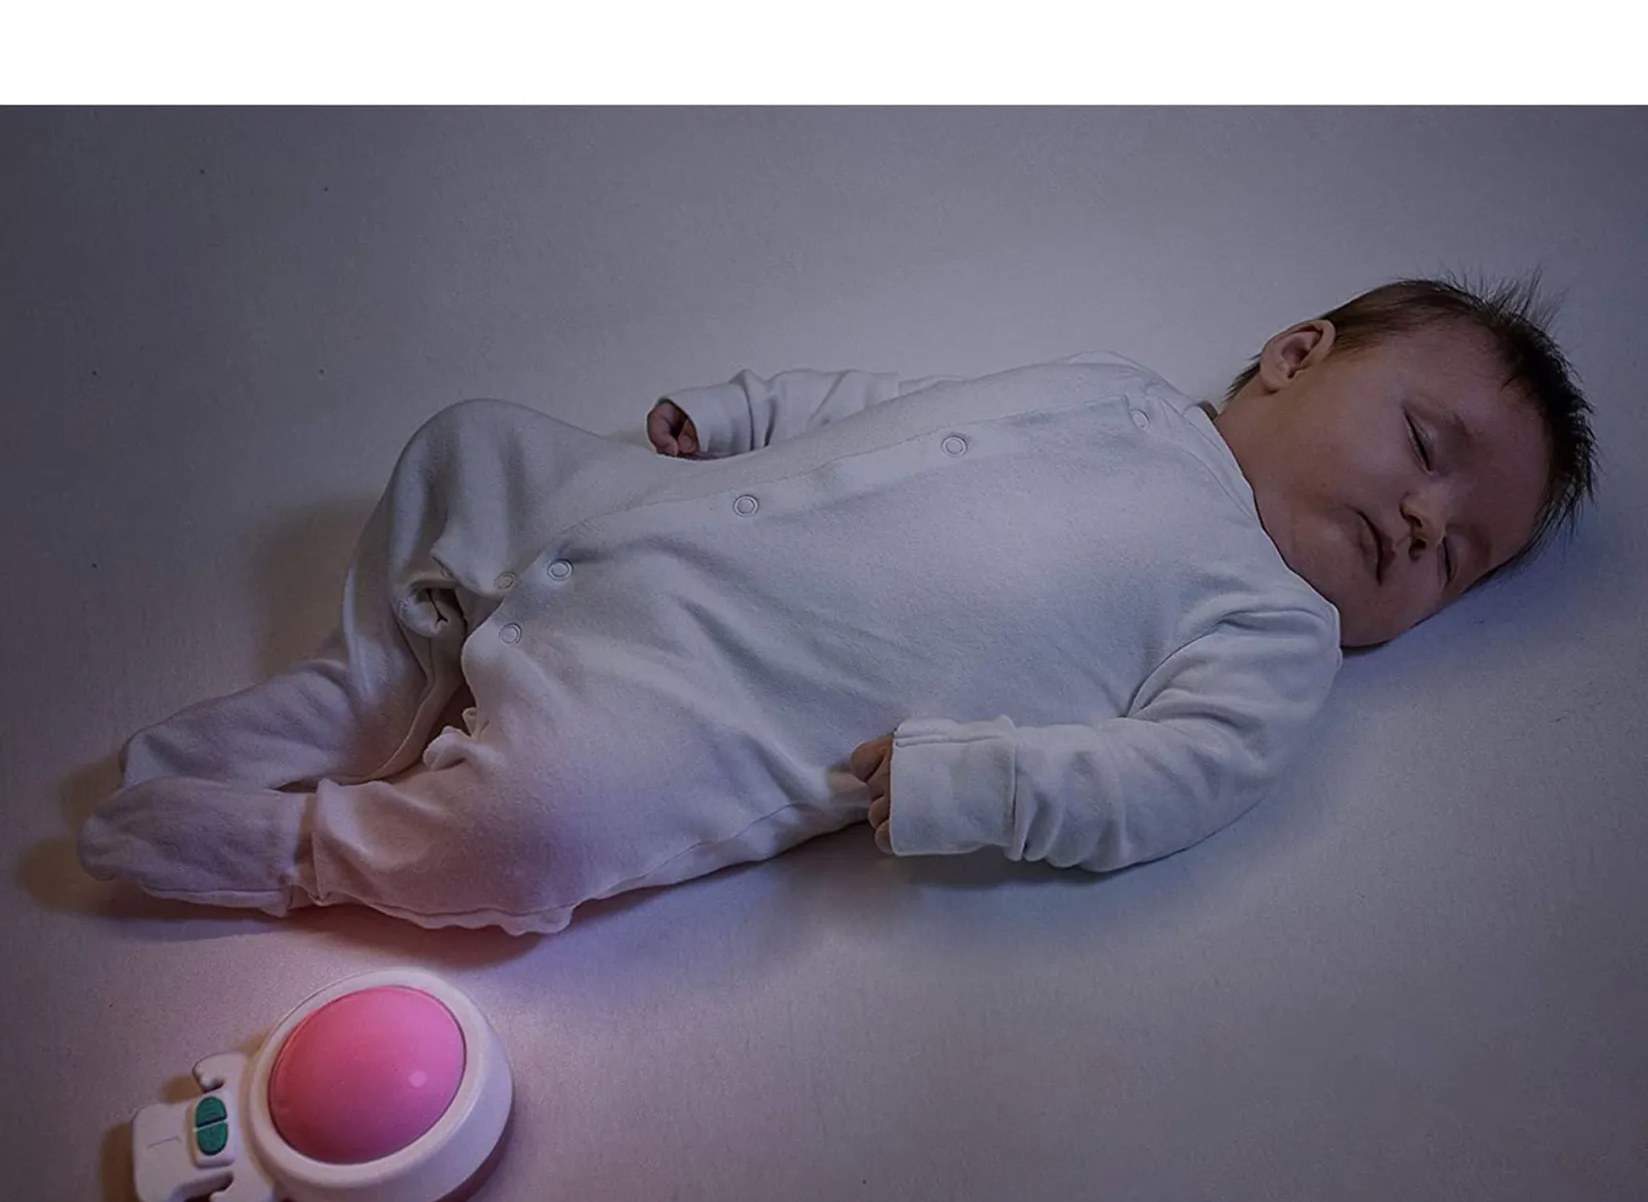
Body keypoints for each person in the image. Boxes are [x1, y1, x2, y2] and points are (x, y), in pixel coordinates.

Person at [76, 271, 1596, 935]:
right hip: (645, 516)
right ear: (1295, 353)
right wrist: (750, 411)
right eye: (1426, 449)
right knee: (470, 445)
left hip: (702, 711)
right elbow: (899, 404)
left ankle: (304, 851)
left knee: (541, 832)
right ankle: (376, 684)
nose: (1422, 521)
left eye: (1460, 555)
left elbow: (1165, 780)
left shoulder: (1275, 636)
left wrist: (981, 782)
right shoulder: (1120, 390)